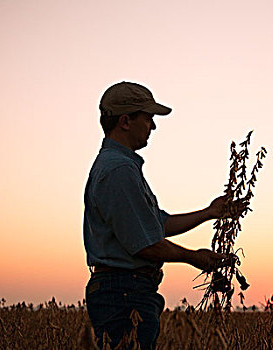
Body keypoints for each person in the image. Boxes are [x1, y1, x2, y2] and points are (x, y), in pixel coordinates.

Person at [83, 81, 233, 349]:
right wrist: (194, 258)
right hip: (123, 294)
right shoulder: (119, 171)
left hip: (126, 291)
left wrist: (209, 213)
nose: (153, 126)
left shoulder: (122, 166)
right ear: (126, 121)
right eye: (149, 118)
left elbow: (156, 225)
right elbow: (146, 244)